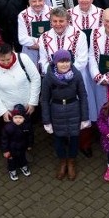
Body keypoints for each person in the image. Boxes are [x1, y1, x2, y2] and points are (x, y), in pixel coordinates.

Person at [37, 7, 91, 155]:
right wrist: (54, 74)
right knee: (58, 112)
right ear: (50, 22)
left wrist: (67, 73)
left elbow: (82, 59)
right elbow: (42, 60)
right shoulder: (44, 37)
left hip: (75, 79)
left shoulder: (79, 35)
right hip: (53, 82)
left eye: (61, 21)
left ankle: (82, 143)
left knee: (78, 108)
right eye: (55, 21)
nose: (58, 24)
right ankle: (61, 144)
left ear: (68, 21)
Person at [41, 49, 90, 181]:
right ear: (55, 63)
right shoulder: (49, 77)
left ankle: (71, 162)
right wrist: (46, 121)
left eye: (67, 61)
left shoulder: (77, 75)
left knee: (74, 138)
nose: (64, 64)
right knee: (58, 140)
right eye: (61, 62)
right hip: (56, 111)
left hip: (74, 109)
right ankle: (63, 161)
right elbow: (44, 99)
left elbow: (83, 96)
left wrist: (85, 117)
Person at [0, 42, 41, 135]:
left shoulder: (24, 58)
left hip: (27, 107)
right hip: (9, 111)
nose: (6, 63)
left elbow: (36, 78)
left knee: (28, 131)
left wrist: (33, 102)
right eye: (2, 60)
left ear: (13, 52)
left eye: (8, 59)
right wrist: (2, 111)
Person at [17, 0, 52, 70]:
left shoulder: (53, 12)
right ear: (29, 2)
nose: (37, 4)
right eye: (34, 1)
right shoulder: (22, 15)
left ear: (44, 0)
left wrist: (38, 44)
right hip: (31, 53)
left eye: (40, 1)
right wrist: (43, 43)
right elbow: (22, 39)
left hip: (49, 52)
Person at [1, 104, 33, 181]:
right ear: (12, 117)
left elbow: (30, 136)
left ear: (24, 118)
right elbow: (4, 140)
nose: (18, 120)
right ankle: (12, 170)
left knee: (22, 158)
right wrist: (5, 150)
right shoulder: (8, 128)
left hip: (22, 147)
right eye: (16, 118)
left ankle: (23, 166)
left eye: (20, 118)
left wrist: (29, 144)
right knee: (11, 160)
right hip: (11, 149)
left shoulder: (27, 127)